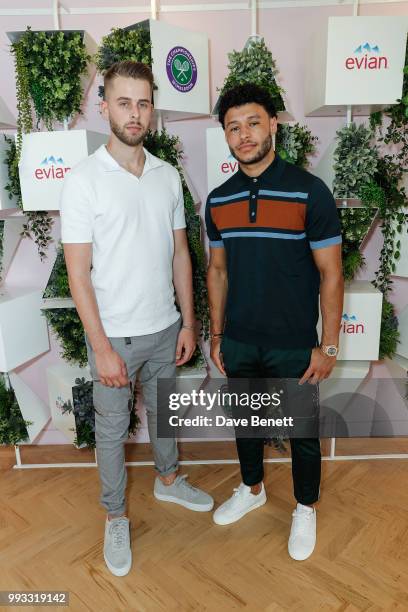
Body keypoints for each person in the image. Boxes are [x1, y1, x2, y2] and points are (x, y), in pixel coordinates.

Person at [60, 60, 214, 578]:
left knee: (164, 416)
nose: (135, 112)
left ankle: (168, 482)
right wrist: (100, 346)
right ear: (103, 107)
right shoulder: (83, 181)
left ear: (153, 109)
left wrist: (189, 323)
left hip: (166, 327)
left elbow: (180, 256)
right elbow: (78, 275)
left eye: (143, 102)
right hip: (115, 337)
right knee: (111, 431)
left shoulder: (167, 176)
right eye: (123, 102)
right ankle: (116, 515)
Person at [205, 83, 343, 561]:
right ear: (225, 134)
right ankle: (253, 487)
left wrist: (328, 347)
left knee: (301, 431)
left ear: (274, 125)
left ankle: (305, 506)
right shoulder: (218, 200)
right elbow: (217, 271)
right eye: (233, 127)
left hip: (293, 344)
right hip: (241, 340)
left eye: (253, 123)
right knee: (247, 424)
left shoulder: (310, 192)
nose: (244, 135)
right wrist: (217, 335)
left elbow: (331, 274)